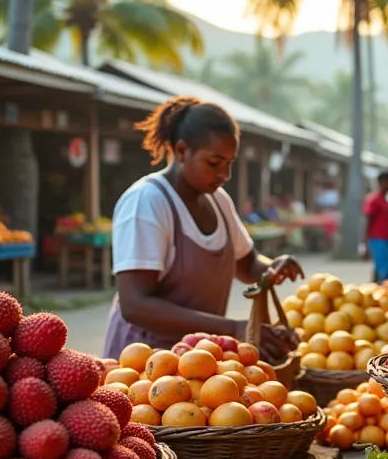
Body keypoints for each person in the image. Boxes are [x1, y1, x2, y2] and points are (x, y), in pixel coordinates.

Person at [104, 97, 303, 359]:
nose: (225, 174)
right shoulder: (146, 202)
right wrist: (233, 328)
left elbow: (246, 264)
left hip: (198, 358)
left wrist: (272, 269)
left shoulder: (218, 201)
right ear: (183, 150)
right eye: (214, 163)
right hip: (144, 364)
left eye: (229, 163)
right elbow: (135, 305)